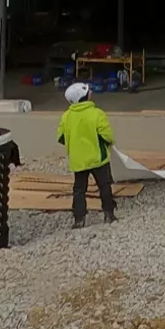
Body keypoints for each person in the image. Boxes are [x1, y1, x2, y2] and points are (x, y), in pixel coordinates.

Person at [57, 82, 118, 227]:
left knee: (79, 190)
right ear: (85, 96)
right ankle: (109, 215)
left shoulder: (66, 116)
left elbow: (61, 137)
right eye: (88, 91)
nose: (91, 92)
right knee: (104, 186)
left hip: (78, 160)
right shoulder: (97, 113)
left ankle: (79, 220)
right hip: (98, 158)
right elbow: (107, 136)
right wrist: (109, 143)